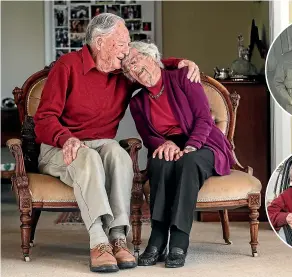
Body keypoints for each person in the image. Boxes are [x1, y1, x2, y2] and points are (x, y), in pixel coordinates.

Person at [34, 13, 200, 273]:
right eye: (122, 43)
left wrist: (179, 63)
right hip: (59, 148)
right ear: (100, 43)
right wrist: (66, 138)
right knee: (87, 156)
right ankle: (98, 242)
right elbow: (43, 119)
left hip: (100, 144)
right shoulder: (67, 66)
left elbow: (148, 66)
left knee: (119, 154)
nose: (127, 50)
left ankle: (118, 236)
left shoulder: (123, 73)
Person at [124, 41, 235, 268]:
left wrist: (191, 146)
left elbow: (204, 119)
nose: (135, 69)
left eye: (136, 61)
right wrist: (165, 143)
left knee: (189, 161)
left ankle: (179, 240)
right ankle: (157, 237)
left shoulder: (183, 77)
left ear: (153, 58)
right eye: (128, 69)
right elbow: (148, 136)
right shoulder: (137, 102)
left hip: (205, 143)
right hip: (169, 144)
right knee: (159, 161)